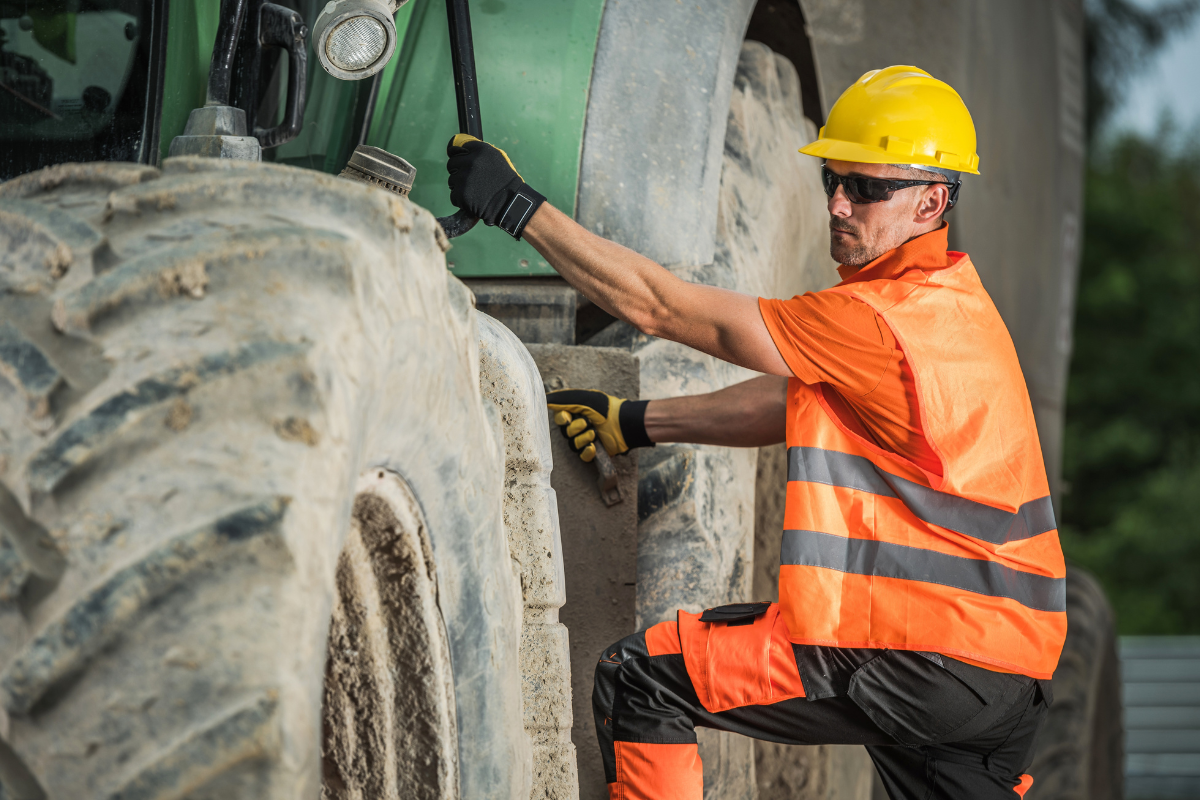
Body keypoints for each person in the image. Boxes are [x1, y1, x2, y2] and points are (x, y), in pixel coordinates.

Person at [445, 65, 1065, 800]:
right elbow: (795, 402)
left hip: (915, 652)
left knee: (641, 677)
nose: (839, 203)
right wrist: (635, 422)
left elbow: (664, 310)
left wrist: (519, 208)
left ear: (933, 200)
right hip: (1001, 681)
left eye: (866, 188)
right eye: (832, 180)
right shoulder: (954, 309)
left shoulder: (874, 321)